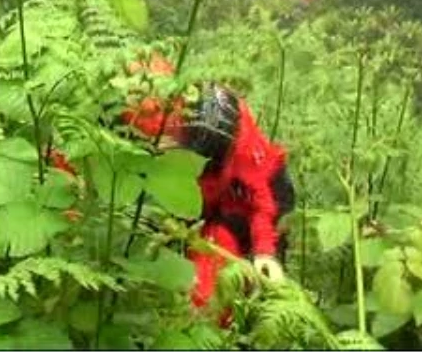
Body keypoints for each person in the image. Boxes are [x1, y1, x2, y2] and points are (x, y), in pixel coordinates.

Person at [52, 53, 296, 324]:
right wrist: (73, 228)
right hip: (134, 211)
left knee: (208, 297)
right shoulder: (105, 114)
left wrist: (265, 250)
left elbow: (265, 194)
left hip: (212, 219)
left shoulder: (226, 128)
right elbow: (65, 167)